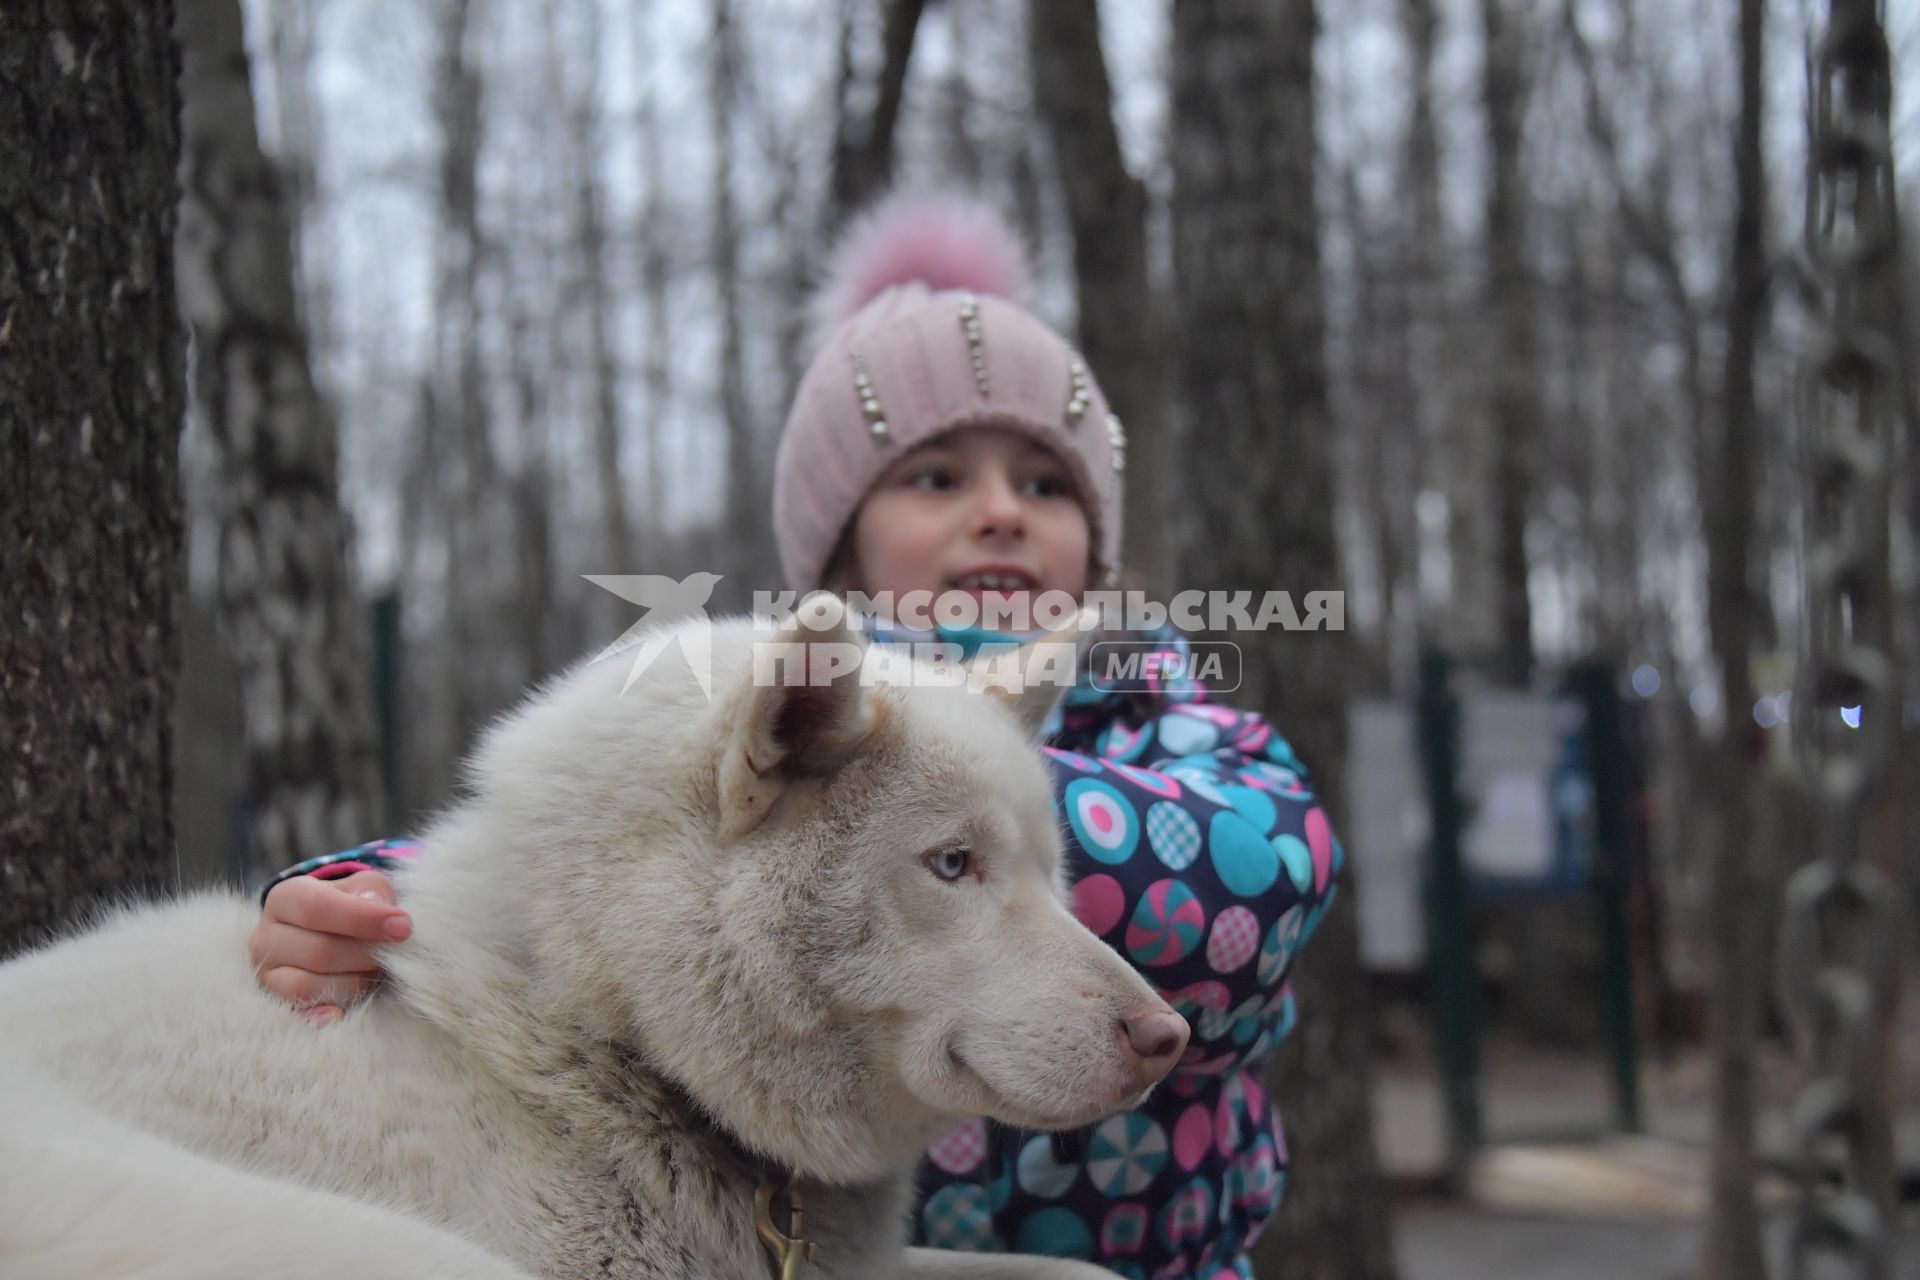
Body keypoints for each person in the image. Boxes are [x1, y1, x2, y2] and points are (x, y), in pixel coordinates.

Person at [247, 195, 1340, 1280]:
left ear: (1098, 552)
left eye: (1047, 482)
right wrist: (359, 903)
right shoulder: (794, 721)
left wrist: (955, 807)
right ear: (839, 553)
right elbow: (614, 876)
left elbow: (1262, 874)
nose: (1002, 509)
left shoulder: (1164, 716)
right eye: (937, 476)